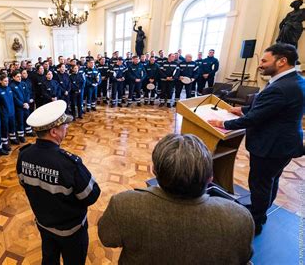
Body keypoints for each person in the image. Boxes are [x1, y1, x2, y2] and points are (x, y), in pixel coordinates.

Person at [98, 134, 254, 265]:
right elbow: (243, 258)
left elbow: (107, 238)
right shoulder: (239, 217)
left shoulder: (124, 205)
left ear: (155, 172)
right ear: (210, 178)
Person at [208, 43, 305, 235]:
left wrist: (223, 124)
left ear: (282, 61)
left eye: (264, 60)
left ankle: (254, 223)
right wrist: (242, 109)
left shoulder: (280, 87)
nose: (260, 64)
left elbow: (255, 118)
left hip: (271, 145)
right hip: (285, 143)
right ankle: (262, 212)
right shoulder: (297, 81)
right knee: (271, 180)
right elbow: (273, 108)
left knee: (260, 184)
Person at [17, 100, 100, 265]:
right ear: (54, 132)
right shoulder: (69, 164)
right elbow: (92, 196)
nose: (67, 127)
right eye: (64, 125)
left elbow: (24, 183)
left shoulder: (23, 156)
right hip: (71, 231)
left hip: (44, 223)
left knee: (49, 259)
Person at [0, 75, 18, 147]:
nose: (7, 83)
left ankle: (13, 138)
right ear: (0, 81)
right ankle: (5, 143)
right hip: (4, 113)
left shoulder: (9, 88)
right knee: (5, 128)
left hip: (11, 111)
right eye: (5, 81)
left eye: (7, 81)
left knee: (12, 126)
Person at [10, 71, 30, 143]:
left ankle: (28, 131)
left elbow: (27, 93)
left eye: (20, 76)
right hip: (19, 107)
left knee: (27, 118)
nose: (19, 78)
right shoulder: (11, 86)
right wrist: (22, 104)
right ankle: (21, 136)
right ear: (13, 77)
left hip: (26, 105)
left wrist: (27, 102)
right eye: (17, 77)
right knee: (20, 121)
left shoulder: (23, 84)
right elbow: (14, 98)